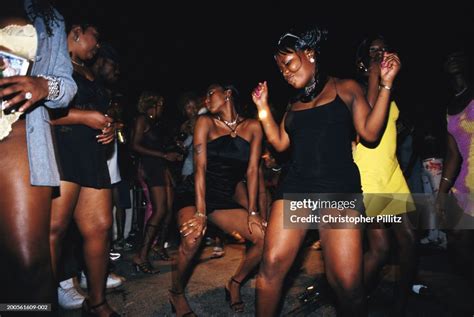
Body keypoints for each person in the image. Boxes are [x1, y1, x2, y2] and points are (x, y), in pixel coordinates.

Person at [252, 26, 400, 316]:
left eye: (289, 63)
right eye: (280, 69)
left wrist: (386, 84)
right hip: (296, 186)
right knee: (271, 265)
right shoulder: (293, 103)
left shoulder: (346, 88)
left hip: (338, 188)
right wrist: (262, 109)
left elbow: (370, 134)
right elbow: (281, 143)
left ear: (309, 54)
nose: (285, 72)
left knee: (346, 284)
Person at [0, 0, 77, 308]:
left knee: (30, 267)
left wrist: (44, 86)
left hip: (15, 129)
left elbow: (67, 86)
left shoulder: (47, 14)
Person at [170, 83, 266, 315]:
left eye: (210, 93)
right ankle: (176, 293)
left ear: (228, 94)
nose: (206, 99)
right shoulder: (205, 123)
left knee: (264, 237)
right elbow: (200, 168)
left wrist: (253, 211)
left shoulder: (253, 127)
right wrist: (200, 213)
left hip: (223, 197)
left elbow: (252, 171)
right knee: (192, 239)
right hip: (194, 193)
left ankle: (234, 283)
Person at [48, 22, 120, 316]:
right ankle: (40, 304)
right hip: (62, 152)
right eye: (96, 37)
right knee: (54, 230)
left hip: (91, 155)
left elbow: (98, 113)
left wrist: (109, 127)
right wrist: (83, 116)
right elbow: (38, 113)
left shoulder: (88, 71)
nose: (98, 44)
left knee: (100, 227)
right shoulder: (53, 62)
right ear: (76, 32)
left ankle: (97, 301)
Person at [352, 35, 416, 313]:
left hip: (391, 171)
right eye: (373, 52)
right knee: (384, 248)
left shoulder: (386, 89)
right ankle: (352, 301)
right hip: (371, 172)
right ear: (363, 63)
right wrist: (376, 73)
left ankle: (396, 300)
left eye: (383, 50)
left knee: (401, 242)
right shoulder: (362, 89)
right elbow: (367, 121)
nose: (379, 55)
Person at [131, 91, 183, 272]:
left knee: (168, 209)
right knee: (159, 210)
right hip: (151, 167)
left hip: (161, 167)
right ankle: (141, 256)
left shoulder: (155, 123)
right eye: (161, 105)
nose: (162, 108)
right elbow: (135, 145)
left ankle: (159, 245)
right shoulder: (141, 120)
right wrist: (163, 155)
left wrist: (169, 160)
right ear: (153, 105)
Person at [437, 50, 474, 283]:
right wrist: (441, 192)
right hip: (465, 181)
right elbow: (452, 154)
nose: (451, 58)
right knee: (457, 237)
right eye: (447, 56)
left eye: (458, 54)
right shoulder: (450, 107)